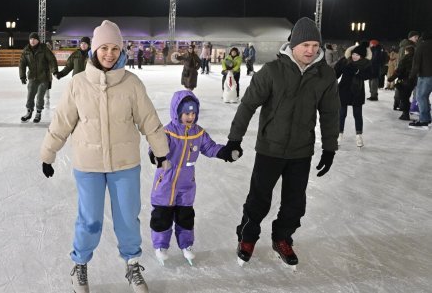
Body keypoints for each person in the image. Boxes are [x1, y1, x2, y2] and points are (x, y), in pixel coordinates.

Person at [39, 20, 168, 293]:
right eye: (103, 48)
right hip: (89, 165)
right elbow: (62, 122)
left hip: (125, 164)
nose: (109, 54)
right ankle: (80, 265)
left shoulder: (132, 83)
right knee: (89, 219)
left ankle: (132, 265)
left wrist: (161, 151)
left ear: (121, 51)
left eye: (114, 48)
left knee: (127, 218)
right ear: (94, 50)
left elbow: (149, 120)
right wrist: (48, 154)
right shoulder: (78, 83)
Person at [225, 17, 339, 269]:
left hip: (301, 151)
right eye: (305, 45)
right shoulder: (272, 71)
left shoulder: (325, 75)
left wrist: (330, 147)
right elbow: (248, 106)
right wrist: (235, 139)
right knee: (258, 199)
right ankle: (247, 237)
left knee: (295, 202)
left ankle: (282, 238)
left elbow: (331, 113)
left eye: (315, 45)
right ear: (293, 44)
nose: (310, 50)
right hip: (270, 148)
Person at [148, 90, 237, 266]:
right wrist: (156, 156)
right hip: (165, 183)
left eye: (193, 113)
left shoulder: (198, 133)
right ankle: (161, 246)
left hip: (187, 185)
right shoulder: (168, 132)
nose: (190, 116)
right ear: (177, 112)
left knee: (185, 216)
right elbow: (155, 147)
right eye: (186, 113)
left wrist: (224, 152)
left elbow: (210, 148)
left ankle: (186, 245)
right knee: (162, 216)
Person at [334, 44, 373, 146]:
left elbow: (368, 76)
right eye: (354, 54)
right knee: (341, 114)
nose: (355, 56)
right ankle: (339, 134)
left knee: (357, 115)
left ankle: (359, 136)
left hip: (357, 92)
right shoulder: (345, 61)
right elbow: (335, 73)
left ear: (362, 57)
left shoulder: (366, 64)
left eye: (358, 55)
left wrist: (357, 71)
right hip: (343, 90)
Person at [19, 32, 57, 123]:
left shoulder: (44, 49)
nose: (32, 41)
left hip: (43, 77)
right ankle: (29, 112)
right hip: (32, 77)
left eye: (34, 39)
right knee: (30, 96)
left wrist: (54, 70)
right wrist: (22, 76)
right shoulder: (26, 50)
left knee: (40, 96)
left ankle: (38, 113)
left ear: (38, 40)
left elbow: (52, 60)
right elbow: (22, 64)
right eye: (31, 39)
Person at [409, 31, 432, 129]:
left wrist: (412, 76)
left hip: (425, 75)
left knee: (421, 97)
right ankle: (427, 118)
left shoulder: (422, 46)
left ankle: (424, 121)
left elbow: (416, 63)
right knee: (424, 97)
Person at [389, 45, 416, 121]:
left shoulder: (405, 58)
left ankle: (405, 114)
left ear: (407, 51)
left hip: (404, 80)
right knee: (407, 97)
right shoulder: (416, 58)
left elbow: (399, 70)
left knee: (404, 98)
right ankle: (405, 113)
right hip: (413, 81)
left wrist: (391, 78)